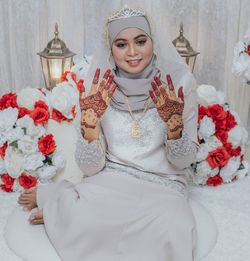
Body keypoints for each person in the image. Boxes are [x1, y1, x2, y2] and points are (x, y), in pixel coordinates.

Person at [18, 6, 198, 261]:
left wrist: (174, 127)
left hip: (165, 185)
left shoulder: (178, 84)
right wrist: (90, 130)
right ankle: (57, 202)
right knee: (85, 217)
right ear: (111, 49)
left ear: (153, 41)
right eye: (121, 44)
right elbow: (91, 169)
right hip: (112, 179)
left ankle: (60, 206)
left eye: (141, 41)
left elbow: (183, 162)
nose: (133, 52)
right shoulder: (100, 86)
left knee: (173, 228)